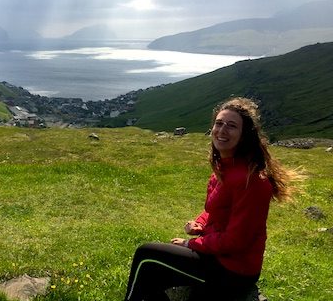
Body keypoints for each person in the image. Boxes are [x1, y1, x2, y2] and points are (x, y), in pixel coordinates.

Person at [123, 97, 296, 301]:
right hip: (217, 257)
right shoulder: (224, 168)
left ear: (244, 135)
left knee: (147, 254)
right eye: (219, 123)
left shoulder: (252, 181)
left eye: (231, 126)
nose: (222, 130)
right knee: (153, 275)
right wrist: (200, 223)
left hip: (234, 270)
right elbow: (214, 211)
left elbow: (236, 240)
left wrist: (191, 245)